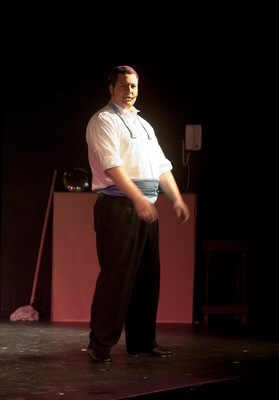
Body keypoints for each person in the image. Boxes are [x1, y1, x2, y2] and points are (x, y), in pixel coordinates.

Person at [85, 65, 190, 363]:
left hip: (146, 206)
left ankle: (143, 342)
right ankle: (100, 345)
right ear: (111, 88)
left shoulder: (144, 124)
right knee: (116, 277)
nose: (129, 91)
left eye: (133, 86)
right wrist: (137, 199)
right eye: (123, 85)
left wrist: (176, 199)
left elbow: (161, 166)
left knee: (147, 277)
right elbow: (112, 166)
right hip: (118, 206)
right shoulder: (103, 120)